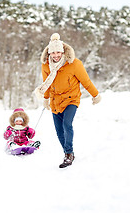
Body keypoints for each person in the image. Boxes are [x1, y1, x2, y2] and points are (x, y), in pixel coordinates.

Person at [34, 33, 101, 168]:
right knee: (59, 130)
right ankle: (67, 152)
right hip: (55, 100)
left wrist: (95, 95)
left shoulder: (74, 64)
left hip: (71, 99)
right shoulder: (46, 65)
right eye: (53, 53)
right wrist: (46, 99)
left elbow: (85, 81)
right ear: (49, 53)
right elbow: (46, 83)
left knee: (67, 124)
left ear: (63, 51)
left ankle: (69, 154)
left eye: (58, 52)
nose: (56, 55)